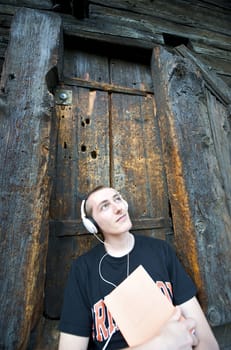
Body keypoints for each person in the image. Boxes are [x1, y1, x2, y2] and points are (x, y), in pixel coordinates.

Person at [58, 186, 219, 350]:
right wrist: (161, 344)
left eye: (117, 199)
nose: (118, 208)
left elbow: (208, 343)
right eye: (104, 206)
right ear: (92, 224)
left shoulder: (160, 251)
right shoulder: (83, 269)